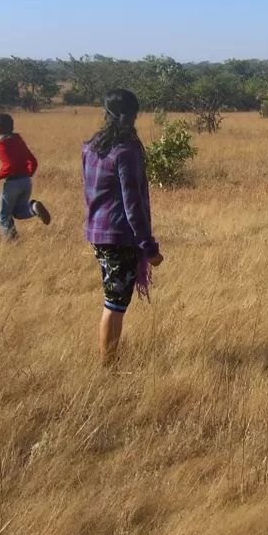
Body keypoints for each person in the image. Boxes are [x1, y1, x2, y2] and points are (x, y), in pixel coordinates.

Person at [82, 89, 163, 364]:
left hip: (98, 233)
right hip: (120, 237)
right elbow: (133, 205)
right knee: (114, 305)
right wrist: (149, 247)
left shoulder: (91, 146)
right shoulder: (126, 151)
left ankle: (110, 361)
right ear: (132, 115)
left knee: (114, 300)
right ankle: (109, 366)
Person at [0, 113, 51, 240]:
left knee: (3, 216)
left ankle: (13, 244)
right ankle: (33, 208)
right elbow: (33, 161)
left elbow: (9, 166)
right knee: (19, 211)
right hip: (26, 181)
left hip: (13, 183)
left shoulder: (2, 145)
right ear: (12, 126)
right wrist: (28, 174)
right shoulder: (18, 140)